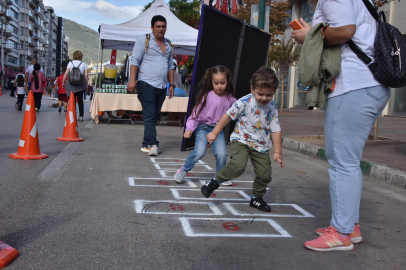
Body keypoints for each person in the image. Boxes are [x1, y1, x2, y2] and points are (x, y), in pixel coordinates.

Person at [291, 0, 390, 252]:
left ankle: (342, 233)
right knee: (348, 160)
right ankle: (350, 226)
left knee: (342, 161)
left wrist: (309, 34)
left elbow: (345, 31)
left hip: (354, 86)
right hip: (368, 85)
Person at [201, 66, 284, 212]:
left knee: (265, 174)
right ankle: (214, 182)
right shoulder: (244, 102)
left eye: (269, 95)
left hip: (261, 145)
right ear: (252, 89)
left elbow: (275, 129)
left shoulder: (272, 107)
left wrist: (278, 151)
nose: (264, 98)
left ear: (274, 92)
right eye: (260, 94)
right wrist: (214, 132)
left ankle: (256, 198)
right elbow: (227, 115)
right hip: (242, 140)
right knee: (238, 166)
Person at [174, 65, 237, 185]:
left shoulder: (231, 99)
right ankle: (183, 170)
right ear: (211, 82)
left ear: (227, 82)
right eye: (216, 83)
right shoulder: (206, 96)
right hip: (203, 128)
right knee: (199, 152)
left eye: (222, 83)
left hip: (217, 130)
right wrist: (189, 128)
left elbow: (239, 111)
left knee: (222, 154)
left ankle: (220, 175)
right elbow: (195, 114)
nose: (219, 86)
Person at [127, 15, 175, 156]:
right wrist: (132, 80)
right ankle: (154, 144)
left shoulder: (168, 44)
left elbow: (170, 66)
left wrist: (171, 84)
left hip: (161, 86)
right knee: (149, 115)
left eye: (163, 26)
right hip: (145, 83)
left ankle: (145, 144)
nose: (161, 29)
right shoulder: (144, 39)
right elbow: (135, 60)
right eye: (158, 26)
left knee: (154, 116)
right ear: (152, 27)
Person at [63, 51, 89, 122]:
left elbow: (66, 73)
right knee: (80, 101)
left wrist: (63, 81)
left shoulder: (70, 63)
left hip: (71, 84)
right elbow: (86, 75)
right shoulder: (83, 64)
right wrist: (86, 84)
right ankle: (81, 116)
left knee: (72, 101)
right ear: (81, 56)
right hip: (80, 84)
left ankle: (73, 115)